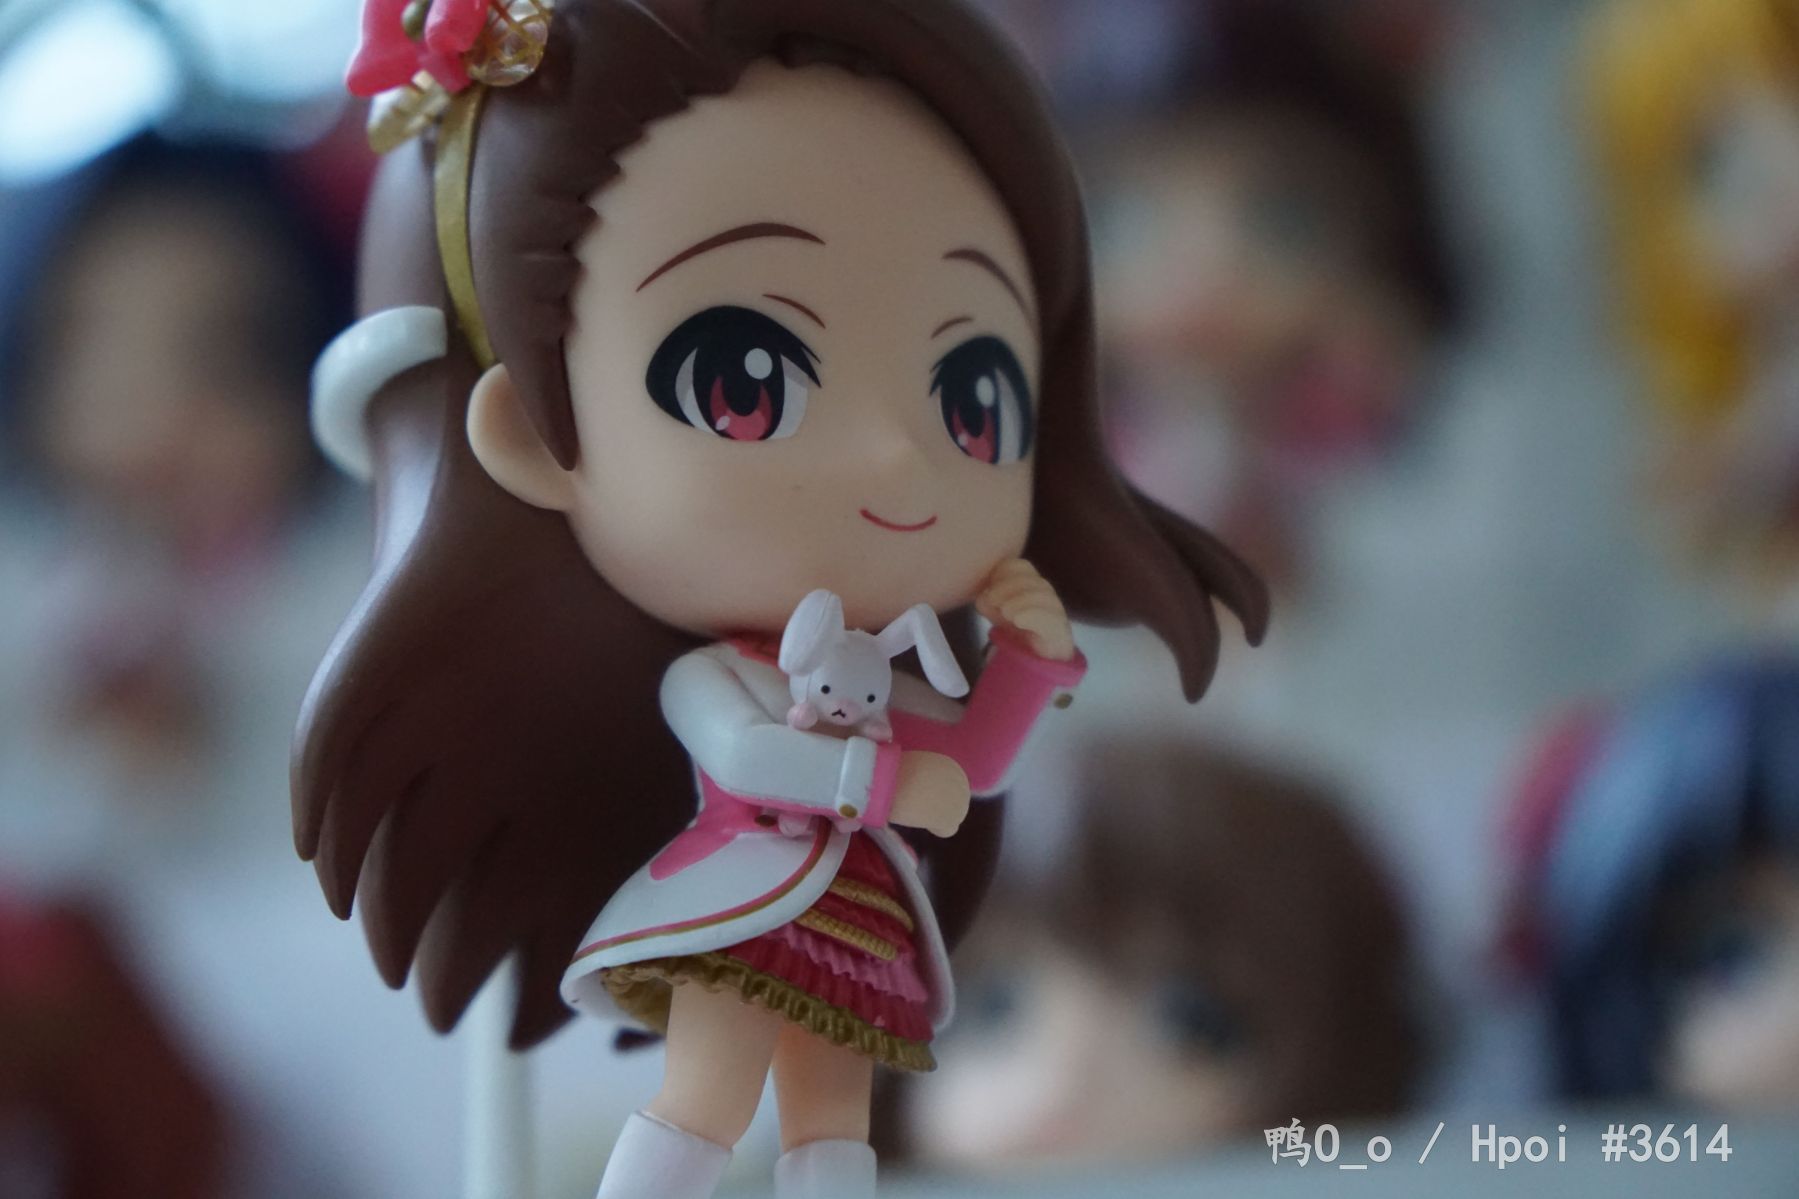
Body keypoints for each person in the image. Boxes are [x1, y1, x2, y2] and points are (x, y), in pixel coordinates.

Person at [297, 1, 1268, 1196]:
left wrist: (1026, 662)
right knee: (705, 1097)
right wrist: (877, 783)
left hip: (859, 915)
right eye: (741, 375)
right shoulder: (722, 677)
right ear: (532, 433)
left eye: (972, 395)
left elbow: (971, 759)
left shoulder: (887, 664)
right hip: (741, 899)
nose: (894, 455)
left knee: (831, 1120)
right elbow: (749, 752)